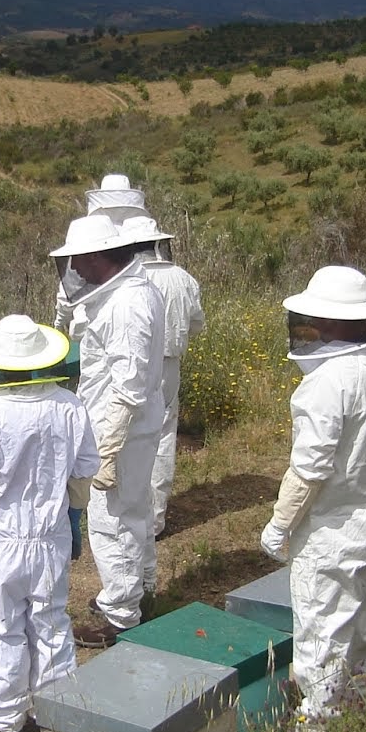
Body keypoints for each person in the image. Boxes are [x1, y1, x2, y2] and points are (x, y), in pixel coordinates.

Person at [259, 266, 366, 729]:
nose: (312, 329)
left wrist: (279, 525)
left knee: (321, 631)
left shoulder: (329, 382)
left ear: (334, 323)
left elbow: (308, 470)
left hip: (330, 529)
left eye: (318, 320)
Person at [0, 314, 101, 732]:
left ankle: (6, 718)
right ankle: (59, 714)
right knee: (51, 622)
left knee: (0, 626)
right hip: (51, 536)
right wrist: (74, 515)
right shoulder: (70, 406)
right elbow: (84, 470)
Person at [49, 215, 165, 648]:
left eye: (79, 258)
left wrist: (108, 450)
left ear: (98, 256)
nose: (75, 268)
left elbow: (129, 388)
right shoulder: (126, 293)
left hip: (122, 427)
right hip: (129, 423)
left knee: (111, 518)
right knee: (134, 509)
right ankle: (141, 589)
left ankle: (120, 615)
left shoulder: (127, 303)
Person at [120, 215, 205, 538]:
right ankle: (154, 520)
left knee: (128, 437)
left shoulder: (126, 279)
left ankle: (129, 517)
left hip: (130, 366)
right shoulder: (182, 278)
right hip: (169, 366)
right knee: (162, 437)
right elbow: (196, 324)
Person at [54, 173, 149, 338]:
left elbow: (66, 294)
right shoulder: (141, 236)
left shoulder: (92, 238)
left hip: (102, 322)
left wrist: (58, 325)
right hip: (132, 321)